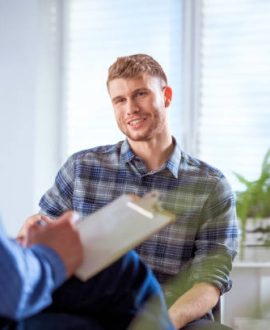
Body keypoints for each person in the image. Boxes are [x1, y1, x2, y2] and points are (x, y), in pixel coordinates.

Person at [22, 54, 238, 329]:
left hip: (172, 316)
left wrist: (163, 323)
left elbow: (209, 282)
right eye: (120, 100)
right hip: (91, 313)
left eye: (141, 94)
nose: (131, 108)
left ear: (166, 96)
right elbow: (41, 247)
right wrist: (34, 234)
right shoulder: (80, 168)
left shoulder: (210, 185)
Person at [1, 212, 174, 329]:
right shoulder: (77, 165)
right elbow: (11, 290)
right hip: (11, 291)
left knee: (116, 267)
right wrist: (47, 256)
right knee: (123, 272)